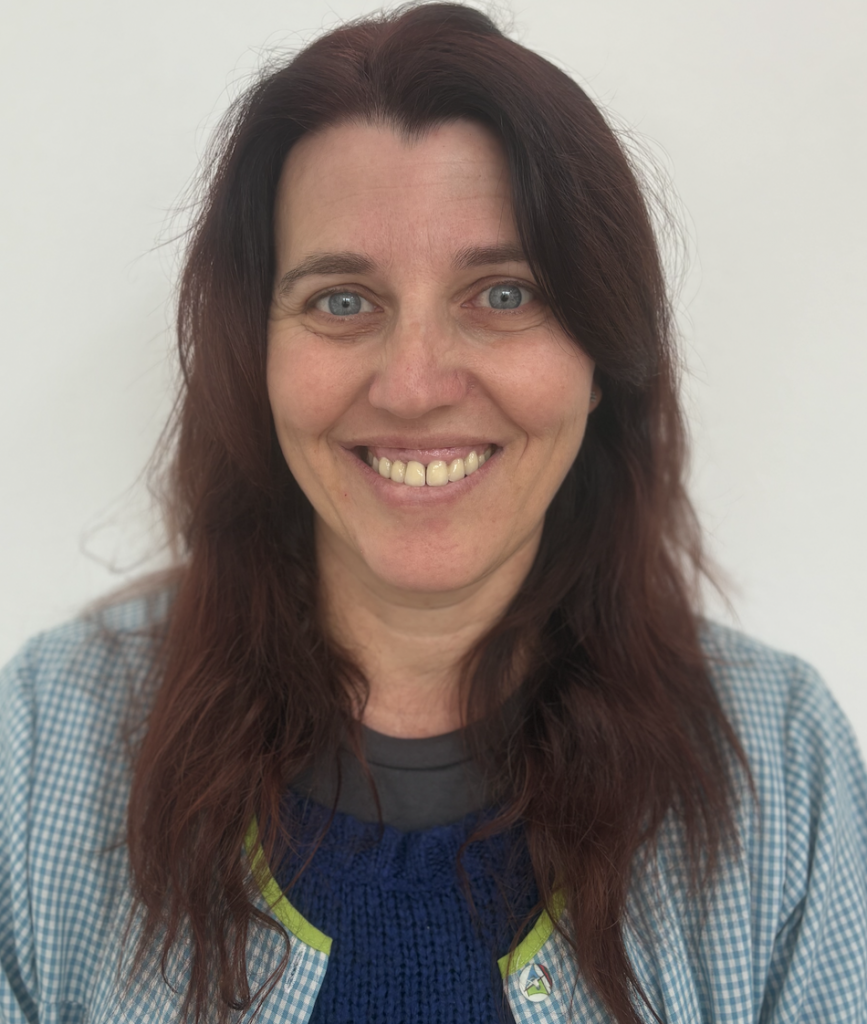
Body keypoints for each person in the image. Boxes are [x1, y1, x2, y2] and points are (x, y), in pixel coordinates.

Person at [1, 4, 866, 1023]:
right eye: (341, 300)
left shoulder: (782, 764)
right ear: (255, 359)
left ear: (600, 359)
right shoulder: (44, 740)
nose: (413, 386)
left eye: (503, 295)